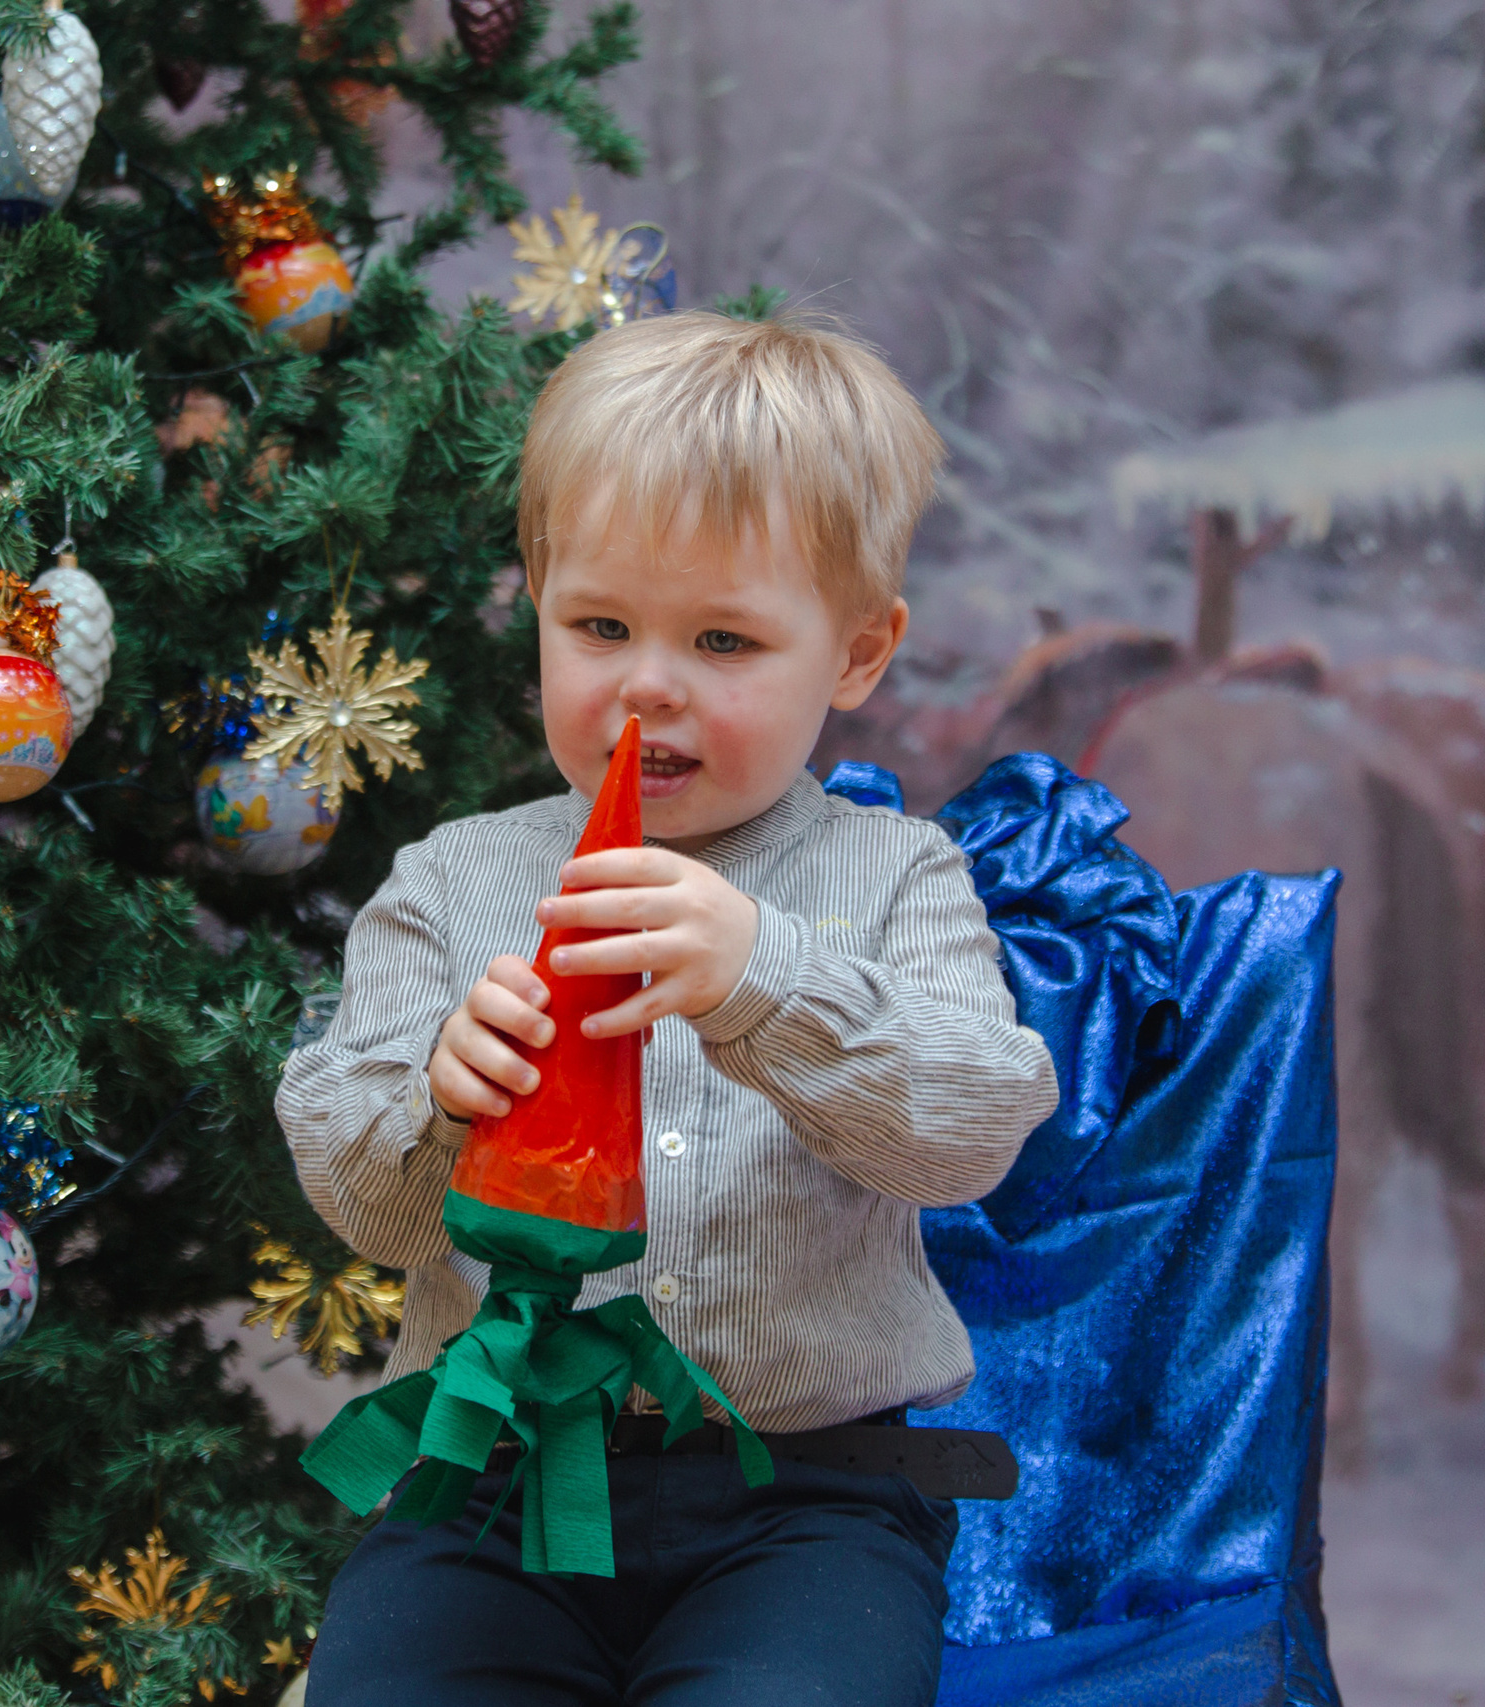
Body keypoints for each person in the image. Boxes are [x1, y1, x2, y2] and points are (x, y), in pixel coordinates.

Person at [276, 310, 1060, 1707]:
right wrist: (440, 1105)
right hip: (490, 1491)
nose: (647, 681)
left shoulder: (897, 876)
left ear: (859, 655)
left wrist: (768, 981)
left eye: (723, 638)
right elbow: (365, 1211)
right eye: (602, 626)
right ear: (536, 598)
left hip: (809, 1500)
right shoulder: (451, 884)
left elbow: (971, 1132)